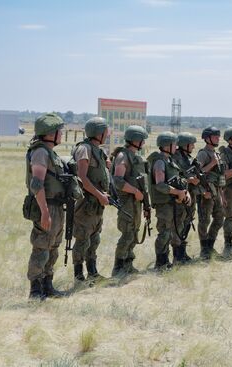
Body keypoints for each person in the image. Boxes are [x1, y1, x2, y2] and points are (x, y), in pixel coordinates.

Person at [25, 113, 75, 299]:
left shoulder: (49, 152)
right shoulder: (40, 152)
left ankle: (47, 285)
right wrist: (45, 212)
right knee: (41, 248)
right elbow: (36, 184)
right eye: (59, 131)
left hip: (56, 206)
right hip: (45, 206)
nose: (61, 134)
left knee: (53, 248)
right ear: (50, 133)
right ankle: (36, 290)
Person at [71, 117, 110, 283]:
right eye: (105, 132)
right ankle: (79, 276)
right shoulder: (85, 149)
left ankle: (92, 272)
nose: (107, 135)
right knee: (82, 239)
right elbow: (82, 178)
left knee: (95, 239)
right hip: (85, 204)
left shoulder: (99, 151)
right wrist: (100, 195)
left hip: (96, 205)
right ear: (99, 133)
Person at [147, 131, 190, 269]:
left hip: (174, 203)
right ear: (167, 145)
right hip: (164, 204)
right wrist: (177, 192)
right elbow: (160, 184)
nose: (176, 147)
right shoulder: (160, 162)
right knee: (164, 233)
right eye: (174, 144)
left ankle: (177, 258)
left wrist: (185, 193)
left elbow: (179, 180)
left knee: (177, 230)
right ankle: (161, 262)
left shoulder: (170, 161)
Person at [110, 125, 149, 277]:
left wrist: (144, 202)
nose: (143, 144)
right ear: (135, 140)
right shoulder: (123, 156)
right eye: (142, 140)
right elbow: (118, 181)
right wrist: (135, 191)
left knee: (133, 233)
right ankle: (118, 268)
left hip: (136, 203)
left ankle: (128, 264)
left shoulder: (135, 157)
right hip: (127, 202)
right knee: (127, 234)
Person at [171, 132, 203, 264]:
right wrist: (188, 180)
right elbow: (173, 178)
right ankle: (177, 255)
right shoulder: (175, 158)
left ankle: (183, 253)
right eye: (192, 144)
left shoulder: (188, 158)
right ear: (185, 145)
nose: (194, 147)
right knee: (178, 224)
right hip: (180, 197)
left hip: (191, 195)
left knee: (187, 222)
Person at [196, 126, 226, 259]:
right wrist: (212, 163)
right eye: (215, 136)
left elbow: (219, 177)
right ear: (207, 139)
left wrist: (222, 195)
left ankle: (210, 245)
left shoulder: (217, 154)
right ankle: (204, 250)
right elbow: (198, 173)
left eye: (218, 136)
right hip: (206, 193)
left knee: (219, 219)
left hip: (216, 192)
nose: (217, 138)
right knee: (204, 221)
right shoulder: (203, 154)